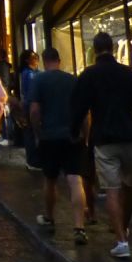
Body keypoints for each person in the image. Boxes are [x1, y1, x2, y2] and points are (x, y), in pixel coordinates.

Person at [70, 31, 132, 259]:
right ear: (113, 48)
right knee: (130, 187)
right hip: (130, 137)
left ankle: (121, 241)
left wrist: (74, 132)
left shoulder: (89, 75)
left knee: (112, 190)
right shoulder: (127, 73)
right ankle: (125, 228)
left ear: (94, 50)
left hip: (104, 140)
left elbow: (78, 108)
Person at [28, 47, 87, 244]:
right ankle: (79, 227)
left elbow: (34, 111)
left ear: (45, 61)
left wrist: (38, 133)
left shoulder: (39, 80)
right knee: (75, 180)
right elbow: (84, 112)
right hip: (72, 137)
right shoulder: (72, 80)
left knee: (50, 179)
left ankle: (50, 217)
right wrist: (85, 135)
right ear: (59, 60)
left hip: (49, 136)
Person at [13, 49, 42, 170]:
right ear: (27, 60)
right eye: (33, 57)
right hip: (30, 106)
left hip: (32, 105)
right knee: (30, 133)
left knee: (31, 133)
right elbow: (30, 91)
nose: (36, 59)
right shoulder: (27, 73)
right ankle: (33, 161)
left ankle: (35, 160)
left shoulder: (34, 72)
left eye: (36, 56)